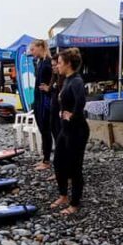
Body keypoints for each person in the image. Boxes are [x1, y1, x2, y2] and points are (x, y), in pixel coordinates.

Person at [51, 48, 90, 215]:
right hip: (65, 129)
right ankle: (63, 195)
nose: (57, 65)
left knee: (75, 167)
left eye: (60, 63)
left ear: (68, 64)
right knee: (58, 162)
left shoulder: (76, 81)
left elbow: (81, 101)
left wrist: (72, 115)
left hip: (77, 129)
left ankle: (74, 204)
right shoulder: (66, 79)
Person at [31, 40, 53, 170]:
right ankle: (45, 158)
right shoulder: (40, 63)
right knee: (43, 130)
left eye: (33, 49)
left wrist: (49, 89)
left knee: (46, 130)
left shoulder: (48, 63)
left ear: (40, 47)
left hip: (45, 101)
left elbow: (53, 81)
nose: (31, 52)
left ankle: (47, 160)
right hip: (39, 99)